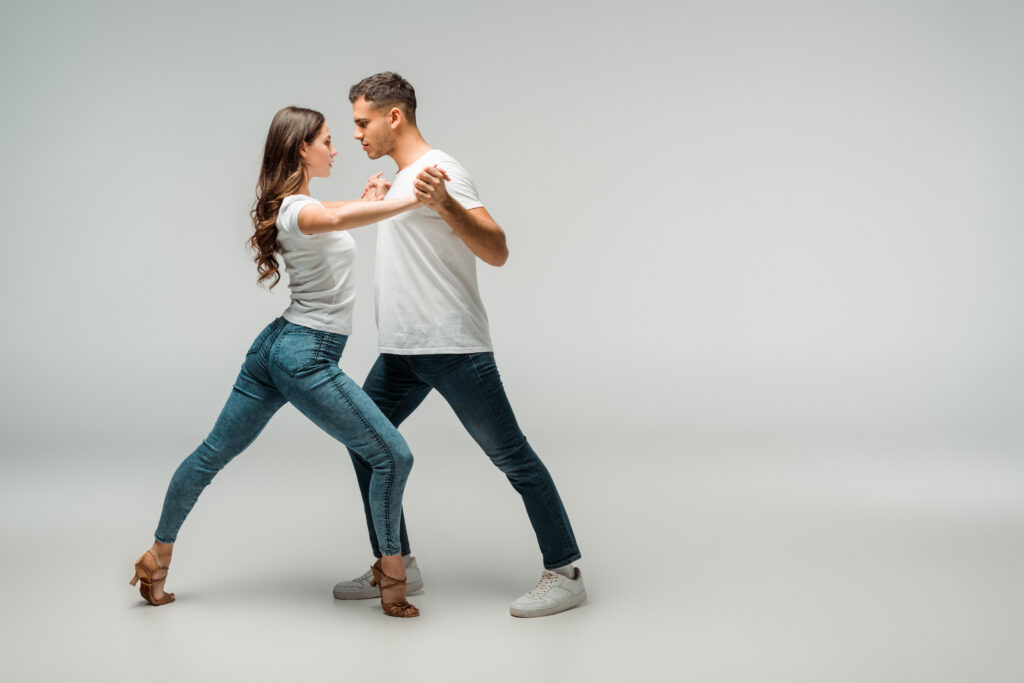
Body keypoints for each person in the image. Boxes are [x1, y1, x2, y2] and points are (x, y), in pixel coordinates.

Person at [129, 106, 422, 617]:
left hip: (276, 349)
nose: (337, 149)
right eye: (328, 141)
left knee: (211, 454)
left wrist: (371, 199)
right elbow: (329, 218)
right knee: (392, 456)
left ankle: (157, 555)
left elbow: (333, 216)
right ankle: (392, 575)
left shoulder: (296, 204)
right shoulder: (301, 210)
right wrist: (406, 198)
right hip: (305, 356)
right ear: (301, 149)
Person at [332, 73, 585, 618]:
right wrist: (376, 203)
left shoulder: (438, 171)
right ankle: (397, 565)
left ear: (393, 116)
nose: (356, 135)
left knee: (511, 456)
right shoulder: (403, 180)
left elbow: (497, 249)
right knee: (363, 443)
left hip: (451, 347)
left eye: (362, 122)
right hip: (401, 352)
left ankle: (565, 571)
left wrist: (447, 204)